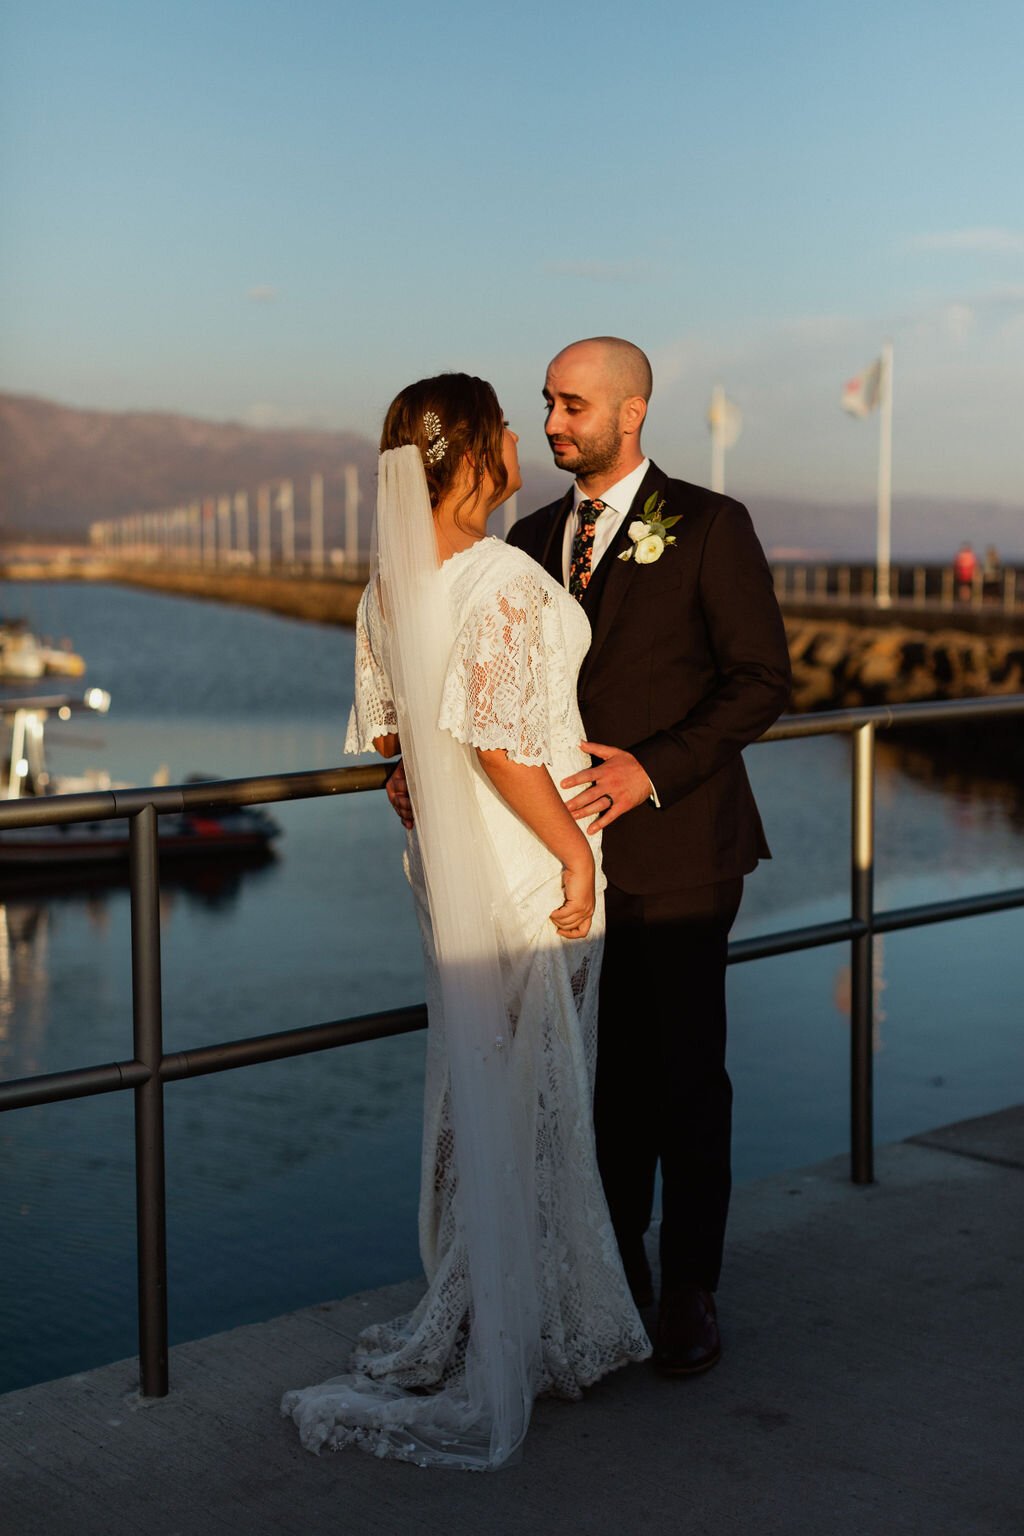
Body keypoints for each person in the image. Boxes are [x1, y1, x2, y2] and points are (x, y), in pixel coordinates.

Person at [281, 374, 649, 1471]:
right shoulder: (501, 579)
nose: (519, 439)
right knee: (537, 1084)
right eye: (504, 427)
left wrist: (423, 787)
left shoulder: (388, 589)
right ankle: (520, 1324)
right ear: (477, 453)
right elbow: (498, 742)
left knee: (483, 1083)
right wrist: (575, 851)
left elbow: (398, 748)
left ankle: (497, 1306)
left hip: (447, 872)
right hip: (519, 866)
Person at [505, 338, 792, 1377]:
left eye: (570, 405)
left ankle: (689, 1290)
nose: (549, 423)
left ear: (631, 414)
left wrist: (650, 772)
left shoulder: (712, 525)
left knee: (682, 1076)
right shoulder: (531, 536)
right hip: (559, 856)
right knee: (597, 1075)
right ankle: (609, 1269)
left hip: (680, 847)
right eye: (545, 403)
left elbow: (761, 680)